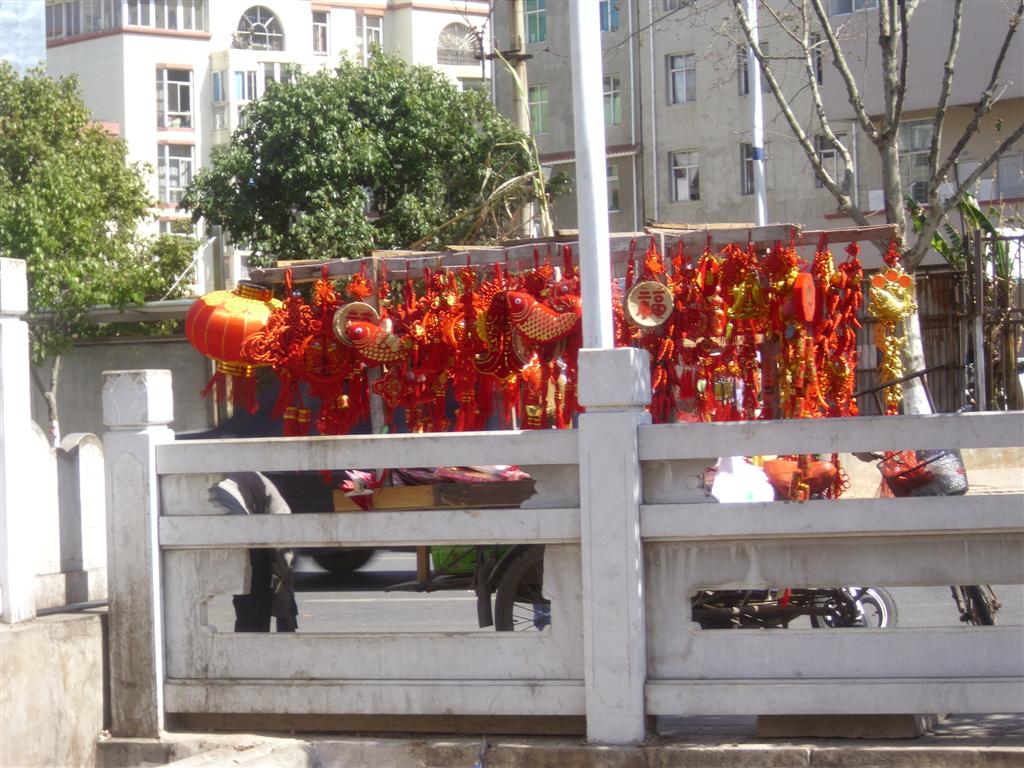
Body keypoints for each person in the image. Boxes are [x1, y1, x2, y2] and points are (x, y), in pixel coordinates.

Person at [213, 472, 298, 632]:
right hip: (236, 516)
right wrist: (286, 614)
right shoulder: (267, 489)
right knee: (256, 589)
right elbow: (284, 558)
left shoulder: (252, 481)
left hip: (221, 507)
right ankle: (252, 641)